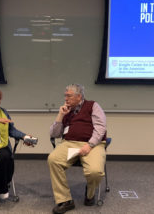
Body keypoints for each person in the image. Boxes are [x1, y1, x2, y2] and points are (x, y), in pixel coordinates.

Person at [47, 84, 107, 214]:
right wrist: (60, 115)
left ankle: (90, 193)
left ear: (79, 96)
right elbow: (54, 134)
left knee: (95, 172)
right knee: (53, 159)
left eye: (68, 96)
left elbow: (101, 128)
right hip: (69, 143)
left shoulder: (93, 106)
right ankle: (65, 200)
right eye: (65, 96)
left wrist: (90, 144)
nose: (65, 98)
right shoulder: (66, 111)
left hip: (93, 144)